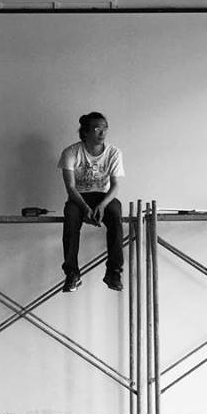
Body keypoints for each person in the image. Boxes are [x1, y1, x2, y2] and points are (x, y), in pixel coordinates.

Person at [57, 111, 124, 293]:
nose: (102, 133)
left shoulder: (114, 153)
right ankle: (72, 274)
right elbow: (71, 188)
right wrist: (85, 208)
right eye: (97, 129)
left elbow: (115, 186)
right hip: (79, 197)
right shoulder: (71, 152)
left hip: (104, 196)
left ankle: (114, 272)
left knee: (115, 213)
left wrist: (102, 206)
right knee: (71, 216)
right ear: (85, 132)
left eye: (105, 128)